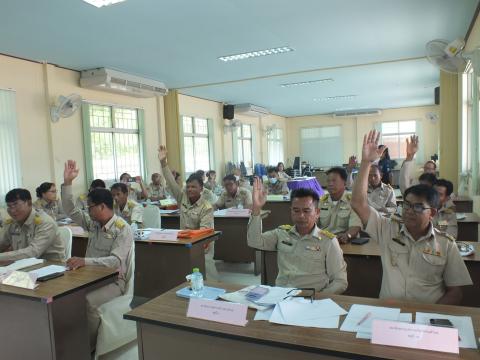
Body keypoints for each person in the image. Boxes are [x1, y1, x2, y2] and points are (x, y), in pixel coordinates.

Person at [351, 130, 472, 305]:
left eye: (417, 207)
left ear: (432, 213)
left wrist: (429, 316)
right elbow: (357, 203)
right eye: (406, 205)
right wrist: (366, 163)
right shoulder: (387, 229)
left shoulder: (446, 244)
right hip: (389, 313)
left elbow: (455, 292)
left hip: (426, 319)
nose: (409, 211)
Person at [61, 160, 133, 349]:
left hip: (114, 281)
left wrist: (85, 261)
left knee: (88, 302)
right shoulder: (92, 223)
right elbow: (70, 209)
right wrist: (67, 183)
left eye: (90, 207)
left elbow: (115, 262)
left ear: (102, 206)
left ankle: (89, 346)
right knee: (63, 296)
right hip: (88, 277)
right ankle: (68, 338)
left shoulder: (122, 229)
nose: (87, 210)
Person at [247, 178, 347, 293]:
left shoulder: (328, 242)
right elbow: (254, 241)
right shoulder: (281, 234)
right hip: (281, 297)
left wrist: (317, 300)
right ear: (291, 211)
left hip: (310, 300)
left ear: (317, 213)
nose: (301, 216)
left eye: (306, 211)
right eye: (296, 210)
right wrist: (256, 209)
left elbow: (340, 281)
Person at [0, 188, 65, 261]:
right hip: (23, 265)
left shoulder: (45, 222)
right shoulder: (12, 223)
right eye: (9, 206)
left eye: (16, 205)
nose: (12, 210)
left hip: (50, 266)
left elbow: (33, 252)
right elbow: (2, 244)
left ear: (29, 203)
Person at [158, 147, 213, 229]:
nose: (190, 189)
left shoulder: (206, 207)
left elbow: (203, 233)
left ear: (201, 189)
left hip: (199, 240)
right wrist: (163, 162)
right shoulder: (182, 198)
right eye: (188, 187)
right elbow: (171, 183)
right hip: (183, 239)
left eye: (193, 187)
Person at [319, 167, 362, 243]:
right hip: (322, 242)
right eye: (328, 181)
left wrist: (347, 235)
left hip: (344, 242)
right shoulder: (321, 202)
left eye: (334, 181)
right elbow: (312, 224)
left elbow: (355, 226)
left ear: (344, 183)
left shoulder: (353, 202)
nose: (330, 184)